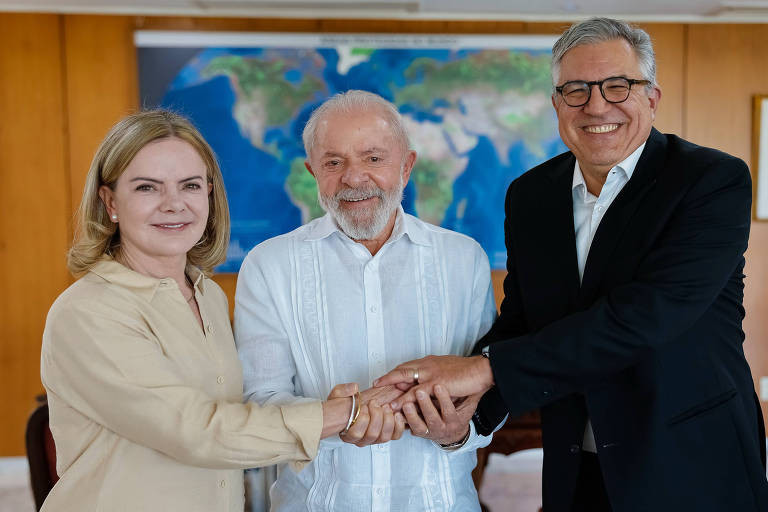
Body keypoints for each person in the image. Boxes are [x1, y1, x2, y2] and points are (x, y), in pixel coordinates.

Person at [375, 17, 768, 512]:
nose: (597, 105)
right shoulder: (531, 195)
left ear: (652, 97)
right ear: (557, 103)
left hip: (692, 465)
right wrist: (467, 416)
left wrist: (484, 370)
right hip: (576, 468)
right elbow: (522, 317)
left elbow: (647, 315)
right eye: (576, 89)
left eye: (618, 86)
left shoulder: (711, 181)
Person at [39, 110, 403, 512]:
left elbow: (235, 416)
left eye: (190, 186)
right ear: (110, 202)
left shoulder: (206, 294)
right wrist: (341, 414)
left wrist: (334, 411)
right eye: (147, 188)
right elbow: (199, 432)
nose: (173, 204)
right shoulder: (88, 313)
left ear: (209, 195)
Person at [234, 90, 497, 511]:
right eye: (333, 162)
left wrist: (458, 431)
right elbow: (260, 405)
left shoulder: (465, 260)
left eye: (373, 158)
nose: (354, 178)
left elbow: (487, 388)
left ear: (407, 166)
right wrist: (338, 417)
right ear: (312, 172)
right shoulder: (268, 265)